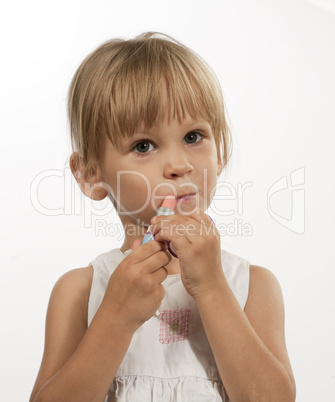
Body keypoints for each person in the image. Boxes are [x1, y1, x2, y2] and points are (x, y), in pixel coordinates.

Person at [30, 32, 296, 402]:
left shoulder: (251, 286)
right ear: (90, 173)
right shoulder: (80, 291)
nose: (179, 164)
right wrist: (116, 317)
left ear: (219, 152)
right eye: (143, 145)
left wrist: (212, 287)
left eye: (193, 136)